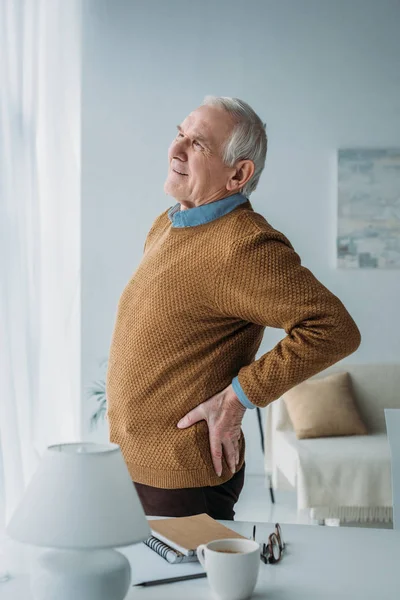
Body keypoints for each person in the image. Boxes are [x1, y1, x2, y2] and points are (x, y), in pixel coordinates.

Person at [106, 96, 361, 520]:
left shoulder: (245, 246)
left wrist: (238, 398)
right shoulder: (167, 223)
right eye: (179, 134)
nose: (175, 150)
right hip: (133, 463)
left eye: (198, 144)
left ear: (238, 174)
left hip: (181, 476)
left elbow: (333, 329)